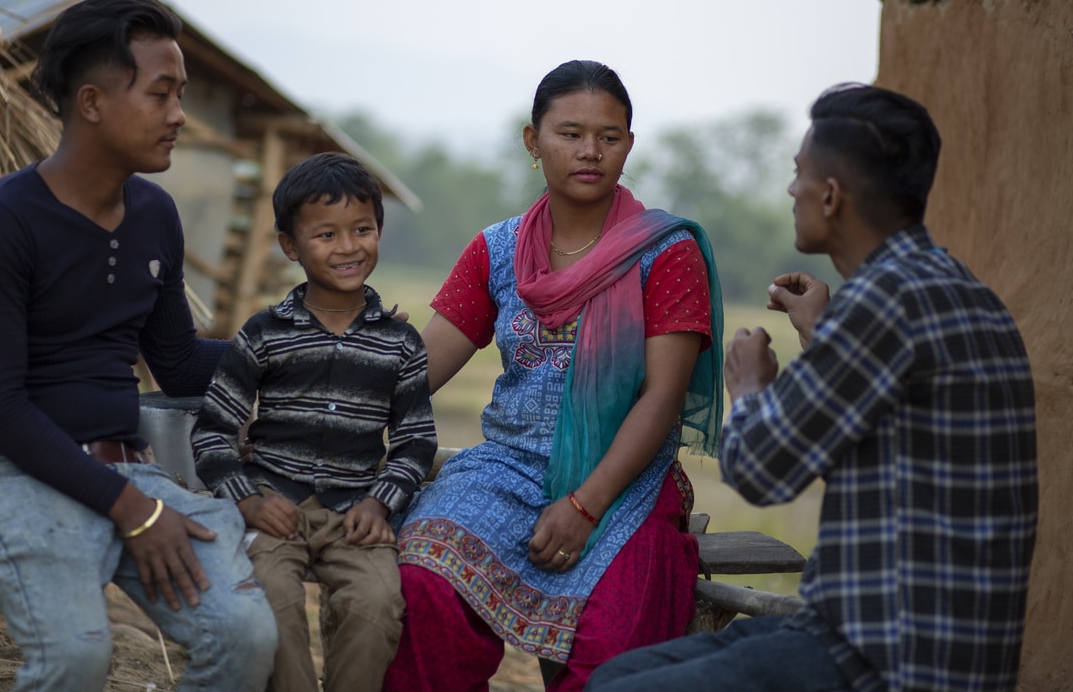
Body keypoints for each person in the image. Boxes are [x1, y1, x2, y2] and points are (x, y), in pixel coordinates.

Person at [586, 83, 1038, 692]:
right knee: (623, 674)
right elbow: (884, 425)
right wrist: (824, 334)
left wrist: (750, 386)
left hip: (884, 655)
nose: (791, 189)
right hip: (934, 643)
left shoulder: (884, 302)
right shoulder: (956, 289)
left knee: (619, 687)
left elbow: (762, 470)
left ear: (831, 196)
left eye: (799, 174)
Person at [0, 0, 277, 692]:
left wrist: (287, 358)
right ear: (91, 103)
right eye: (161, 94)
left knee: (243, 636)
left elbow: (176, 362)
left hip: (132, 474)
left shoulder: (155, 213)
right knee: (76, 658)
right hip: (6, 475)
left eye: (180, 93)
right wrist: (133, 511)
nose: (180, 114)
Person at [382, 60, 724, 692]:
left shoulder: (666, 253)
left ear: (629, 146)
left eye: (610, 136)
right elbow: (419, 370)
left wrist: (582, 505)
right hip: (505, 466)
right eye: (569, 133)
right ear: (532, 142)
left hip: (625, 480)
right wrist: (353, 357)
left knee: (614, 653)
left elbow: (662, 397)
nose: (590, 151)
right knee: (422, 584)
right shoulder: (498, 249)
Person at [190, 152, 437, 692]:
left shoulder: (400, 343)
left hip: (357, 514)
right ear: (290, 245)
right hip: (274, 506)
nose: (348, 247)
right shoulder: (264, 333)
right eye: (326, 234)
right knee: (269, 603)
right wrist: (246, 499)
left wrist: (382, 501)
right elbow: (212, 430)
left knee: (376, 606)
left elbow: (417, 438)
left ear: (379, 230)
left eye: (362, 229)